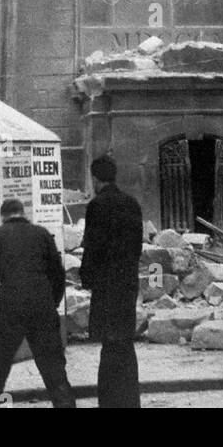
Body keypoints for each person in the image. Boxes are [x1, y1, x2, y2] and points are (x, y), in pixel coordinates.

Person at [0, 198, 76, 409]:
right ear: (23, 212)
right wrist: (51, 301)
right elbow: (57, 273)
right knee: (54, 370)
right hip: (42, 306)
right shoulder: (42, 234)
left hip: (9, 307)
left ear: (3, 216)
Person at [80, 155, 143, 409]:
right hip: (127, 283)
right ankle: (130, 402)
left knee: (109, 345)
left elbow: (92, 248)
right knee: (125, 344)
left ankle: (109, 402)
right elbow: (138, 247)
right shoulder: (132, 204)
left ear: (95, 179)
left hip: (106, 285)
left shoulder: (97, 206)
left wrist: (87, 278)